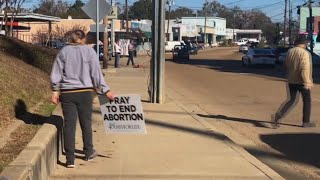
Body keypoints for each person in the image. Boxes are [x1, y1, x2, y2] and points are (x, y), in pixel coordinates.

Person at [50, 30, 115, 168]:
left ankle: (70, 159)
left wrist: (55, 91)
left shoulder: (63, 52)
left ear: (71, 39)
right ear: (83, 38)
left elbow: (56, 72)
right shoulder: (89, 52)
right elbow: (96, 74)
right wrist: (106, 91)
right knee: (86, 124)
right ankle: (88, 152)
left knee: (69, 125)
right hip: (85, 92)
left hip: (67, 93)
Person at [271, 34, 316, 128]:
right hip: (301, 81)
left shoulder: (290, 51)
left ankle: (278, 116)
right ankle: (306, 122)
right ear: (304, 43)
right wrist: (307, 81)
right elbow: (305, 68)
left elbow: (286, 65)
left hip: (291, 80)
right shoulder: (304, 53)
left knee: (291, 100)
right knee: (307, 101)